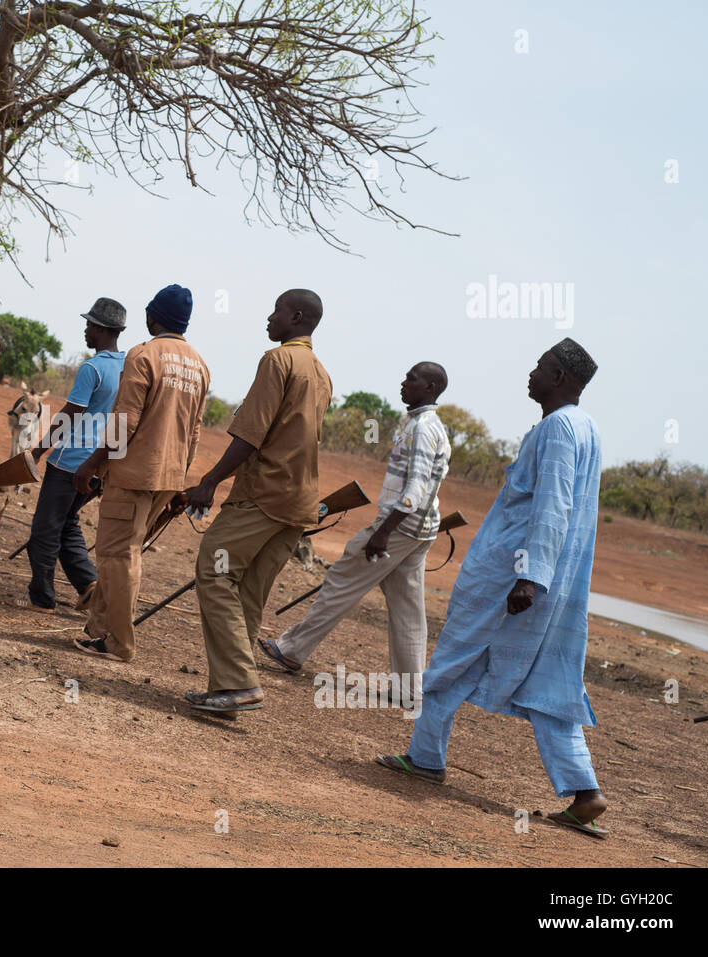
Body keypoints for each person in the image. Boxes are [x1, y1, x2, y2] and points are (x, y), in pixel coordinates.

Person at [376, 339, 611, 839]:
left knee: (453, 656)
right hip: (550, 579)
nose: (532, 373)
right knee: (548, 684)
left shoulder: (560, 428)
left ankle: (423, 759)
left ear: (563, 379)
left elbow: (553, 505)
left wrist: (529, 577)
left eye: (542, 368)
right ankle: (585, 791)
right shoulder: (584, 427)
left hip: (511, 573)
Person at [259, 361, 451, 702]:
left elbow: (417, 486)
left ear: (431, 388)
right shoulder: (426, 424)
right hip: (420, 528)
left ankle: (292, 650)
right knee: (407, 607)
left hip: (401, 524)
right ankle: (409, 688)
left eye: (413, 378)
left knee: (341, 579)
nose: (404, 382)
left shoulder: (423, 427)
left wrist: (383, 532)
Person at [180, 289, 332, 715]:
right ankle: (231, 691)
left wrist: (209, 482)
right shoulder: (321, 372)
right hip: (297, 505)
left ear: (296, 317)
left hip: (263, 496)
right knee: (248, 593)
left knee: (214, 570)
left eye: (277, 310)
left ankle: (239, 683)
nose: (269, 317)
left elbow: (251, 432)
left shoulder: (278, 360)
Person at [72, 284, 210, 663]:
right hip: (167, 477)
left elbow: (123, 423)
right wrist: (180, 477)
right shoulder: (199, 365)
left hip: (134, 475)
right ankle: (98, 630)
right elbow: (194, 432)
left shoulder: (144, 354)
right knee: (126, 552)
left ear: (153, 317)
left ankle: (118, 643)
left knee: (118, 556)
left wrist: (92, 464)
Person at [16, 297, 127, 613]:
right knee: (67, 524)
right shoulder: (127, 368)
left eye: (89, 325)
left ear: (102, 329)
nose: (85, 330)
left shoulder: (93, 367)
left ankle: (42, 597)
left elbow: (70, 413)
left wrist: (38, 451)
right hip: (100, 463)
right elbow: (124, 418)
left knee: (45, 530)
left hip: (70, 462)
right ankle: (89, 585)